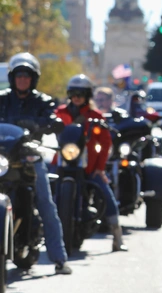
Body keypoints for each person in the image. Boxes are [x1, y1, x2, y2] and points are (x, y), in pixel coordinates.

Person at [0, 53, 72, 274]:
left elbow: (52, 119)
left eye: (27, 75)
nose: (23, 79)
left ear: (33, 79)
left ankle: (59, 259)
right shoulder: (2, 98)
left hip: (29, 155)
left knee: (45, 201)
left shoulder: (42, 101)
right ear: (13, 78)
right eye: (19, 75)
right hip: (4, 155)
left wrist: (40, 123)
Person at [55, 75, 127, 252]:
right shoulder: (59, 113)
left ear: (88, 95)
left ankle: (117, 234)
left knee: (103, 189)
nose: (77, 97)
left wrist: (99, 168)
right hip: (62, 164)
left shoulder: (96, 116)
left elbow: (106, 143)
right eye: (73, 93)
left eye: (81, 93)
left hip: (87, 167)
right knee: (41, 187)